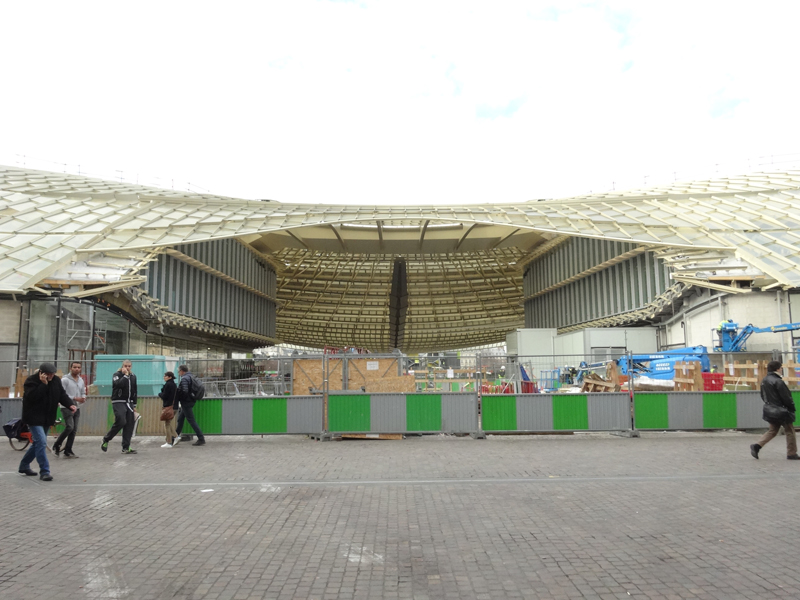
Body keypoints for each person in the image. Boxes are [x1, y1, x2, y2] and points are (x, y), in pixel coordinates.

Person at [19, 363, 77, 481]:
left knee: (37, 443)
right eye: (48, 374)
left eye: (52, 374)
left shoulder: (56, 381)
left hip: (47, 417)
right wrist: (43, 384)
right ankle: (45, 471)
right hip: (33, 417)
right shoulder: (31, 381)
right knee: (41, 442)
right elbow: (32, 397)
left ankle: (24, 465)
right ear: (42, 373)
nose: (51, 376)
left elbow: (61, 395)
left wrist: (70, 404)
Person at [751, 360, 798, 460]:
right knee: (790, 431)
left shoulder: (764, 380)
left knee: (772, 431)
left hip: (771, 410)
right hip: (782, 410)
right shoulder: (778, 381)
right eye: (781, 368)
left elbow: (763, 396)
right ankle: (792, 453)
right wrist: (792, 407)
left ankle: (757, 445)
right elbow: (786, 397)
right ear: (777, 369)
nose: (781, 370)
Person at [101, 359, 138, 454]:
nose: (127, 368)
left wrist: (134, 404)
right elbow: (118, 385)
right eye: (125, 366)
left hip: (129, 402)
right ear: (122, 366)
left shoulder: (133, 376)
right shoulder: (117, 375)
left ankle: (126, 447)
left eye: (129, 366)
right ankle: (106, 439)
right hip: (118, 401)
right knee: (121, 421)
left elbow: (134, 390)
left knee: (129, 424)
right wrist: (125, 376)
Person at [53, 361, 86, 458]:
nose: (77, 369)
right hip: (66, 406)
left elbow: (83, 391)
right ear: (70, 368)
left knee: (74, 429)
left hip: (77, 406)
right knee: (70, 427)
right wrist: (75, 398)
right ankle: (57, 444)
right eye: (75, 367)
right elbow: (61, 394)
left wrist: (83, 398)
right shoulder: (65, 380)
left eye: (78, 367)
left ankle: (68, 450)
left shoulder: (81, 380)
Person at [174, 365, 206, 446]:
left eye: (179, 371)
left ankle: (201, 438)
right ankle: (175, 437)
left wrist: (180, 396)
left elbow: (184, 391)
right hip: (191, 400)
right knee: (180, 419)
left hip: (186, 402)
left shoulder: (185, 378)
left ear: (182, 371)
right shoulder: (191, 376)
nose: (178, 373)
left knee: (191, 420)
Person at [159, 371, 178, 448]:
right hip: (174, 406)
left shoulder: (168, 384)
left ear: (169, 377)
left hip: (169, 406)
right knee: (168, 423)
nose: (164, 377)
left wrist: (160, 394)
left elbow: (164, 396)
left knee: (167, 424)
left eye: (165, 376)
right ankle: (176, 436)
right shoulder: (174, 384)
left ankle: (169, 442)